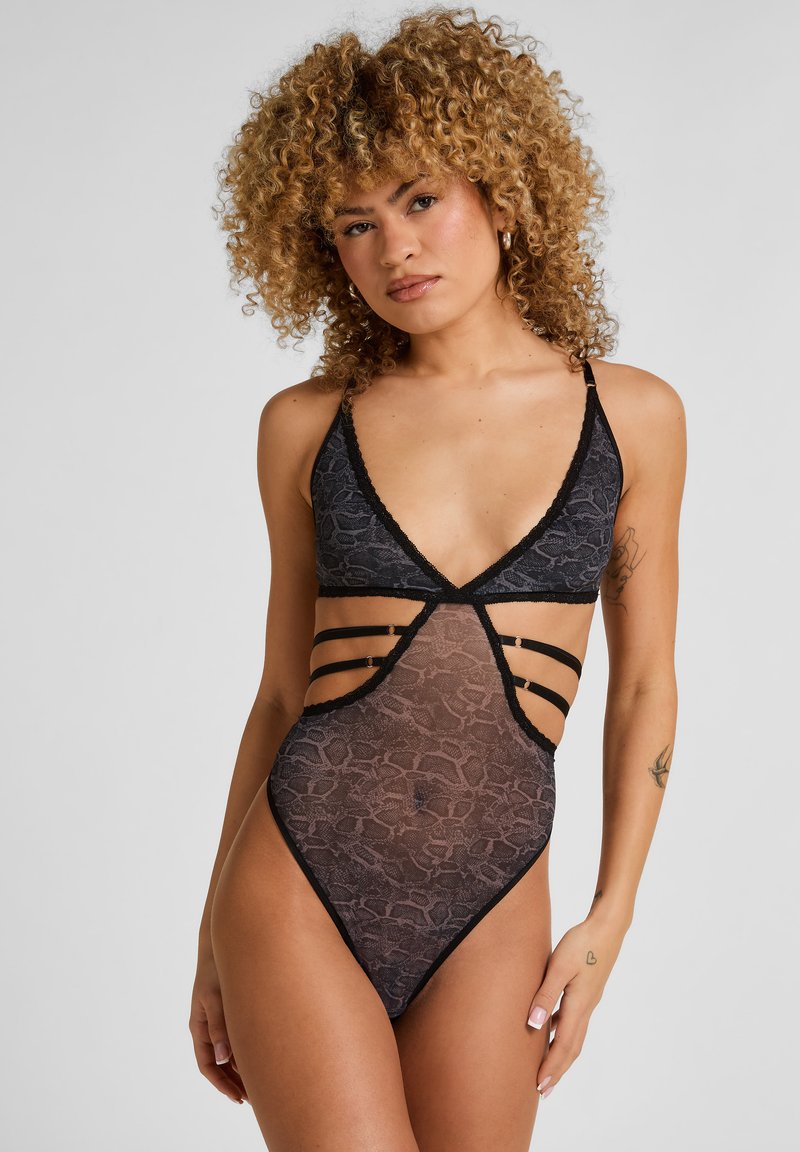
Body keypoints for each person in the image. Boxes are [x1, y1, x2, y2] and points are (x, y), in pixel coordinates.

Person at [189, 7, 686, 1149]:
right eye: (354, 225)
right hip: (296, 881)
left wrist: (608, 920)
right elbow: (280, 696)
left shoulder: (634, 417)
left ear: (503, 194)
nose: (394, 249)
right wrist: (211, 935)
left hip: (495, 895)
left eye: (420, 200)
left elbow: (645, 686)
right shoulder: (305, 426)